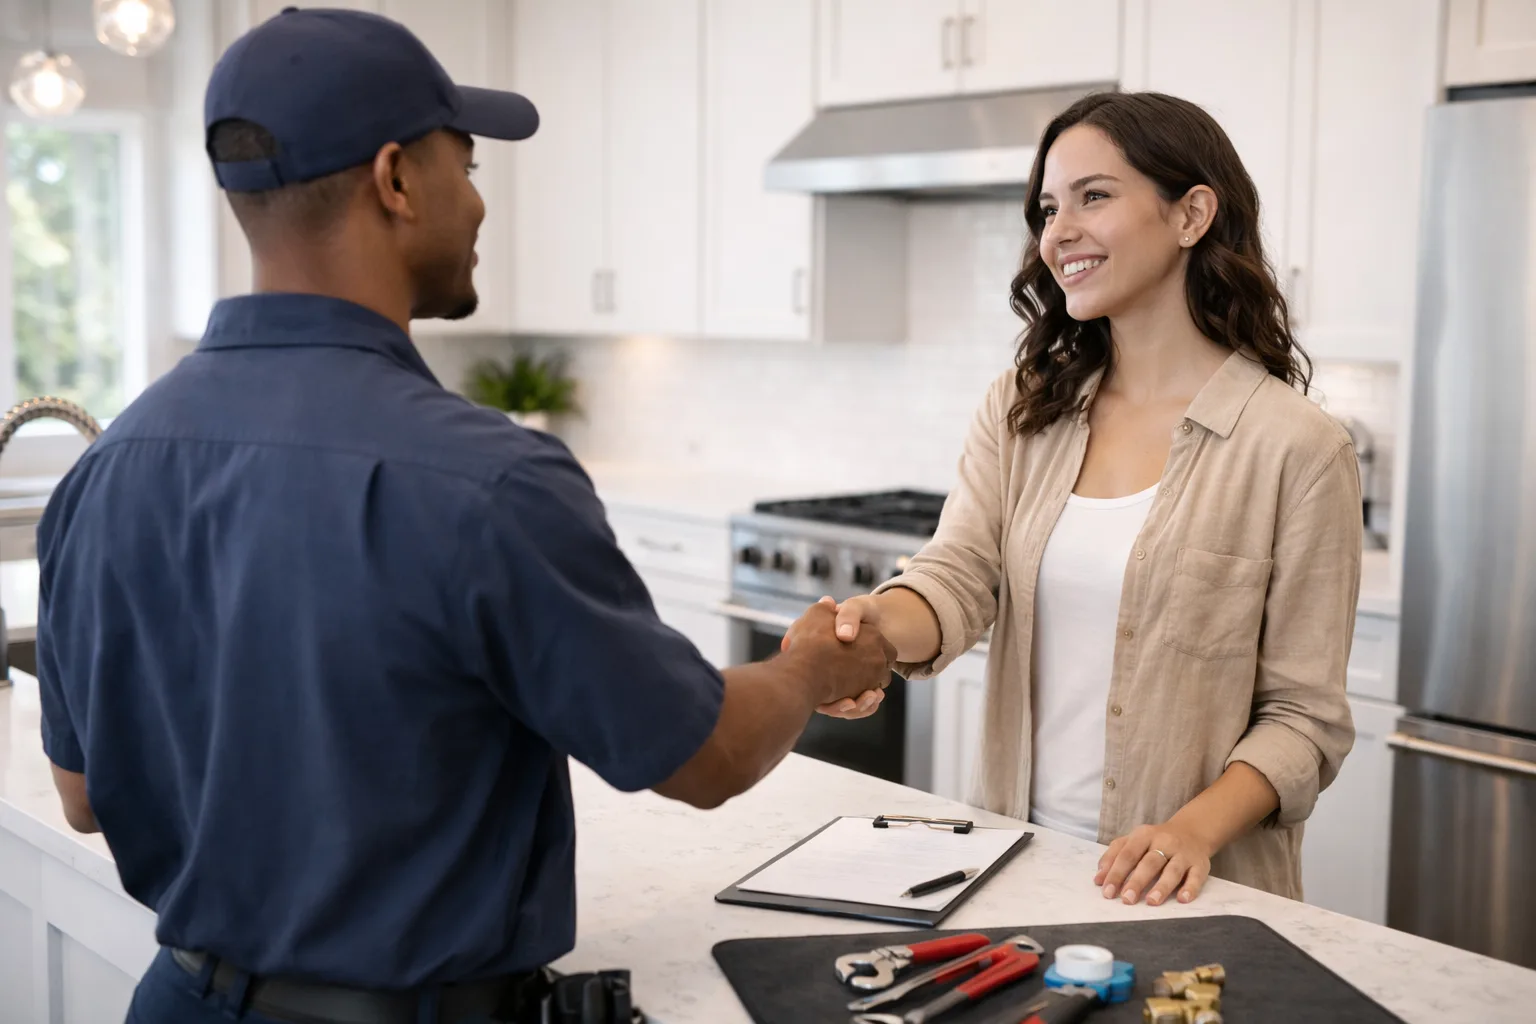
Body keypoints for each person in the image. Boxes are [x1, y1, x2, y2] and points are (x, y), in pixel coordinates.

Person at [34, 9, 894, 1024]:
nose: (481, 204)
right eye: (470, 164)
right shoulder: (486, 479)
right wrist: (805, 667)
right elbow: (700, 758)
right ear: (396, 180)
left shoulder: (108, 468)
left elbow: (84, 797)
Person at [825, 91, 1360, 907]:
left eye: (1094, 196)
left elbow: (1303, 718)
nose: (1057, 232)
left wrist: (1192, 832)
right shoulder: (1024, 406)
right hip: (1008, 865)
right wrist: (870, 636)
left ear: (1191, 216)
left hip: (1190, 890)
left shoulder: (1297, 448)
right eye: (1047, 207)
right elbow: (961, 573)